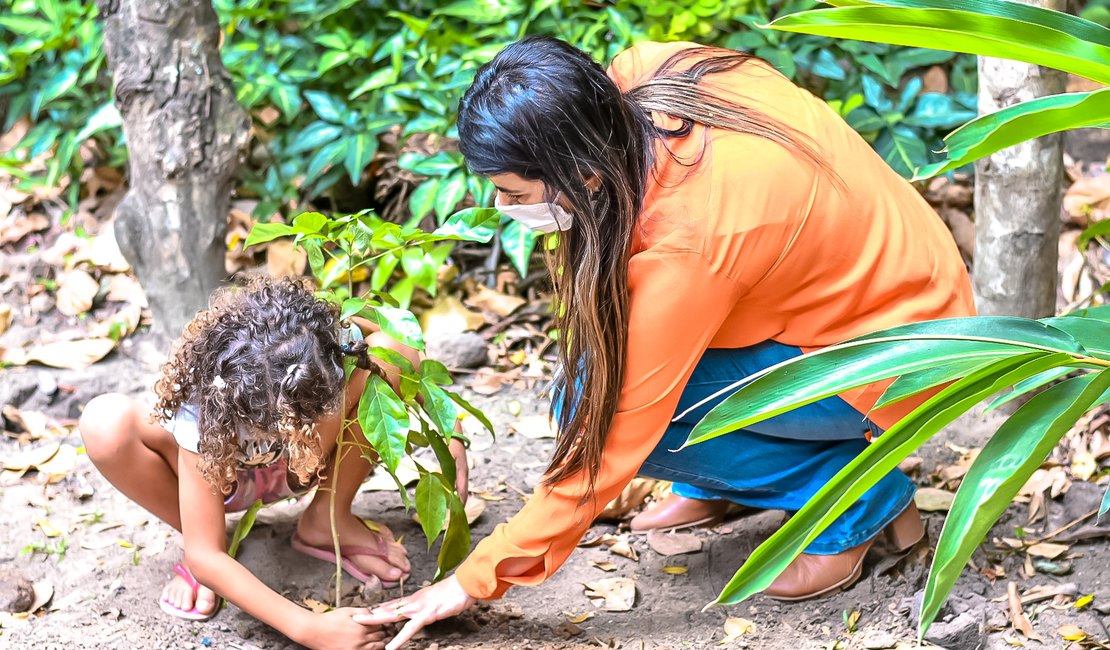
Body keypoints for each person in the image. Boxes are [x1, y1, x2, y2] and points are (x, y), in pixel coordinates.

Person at [355, 36, 974, 648]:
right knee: (610, 370)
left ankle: (852, 499)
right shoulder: (644, 77)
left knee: (580, 403)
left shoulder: (690, 243)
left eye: (515, 195)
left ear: (586, 174)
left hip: (898, 359)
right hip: (894, 288)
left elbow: (606, 435)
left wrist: (473, 578)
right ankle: (716, 482)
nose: (500, 206)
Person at [80, 275, 467, 650]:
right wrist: (307, 628)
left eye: (310, 413)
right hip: (221, 481)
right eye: (283, 424)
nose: (296, 429)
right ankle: (209, 534)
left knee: (394, 350)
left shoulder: (323, 340)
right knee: (104, 423)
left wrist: (449, 426)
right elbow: (204, 558)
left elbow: (399, 343)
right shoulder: (205, 407)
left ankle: (329, 518)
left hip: (309, 466)